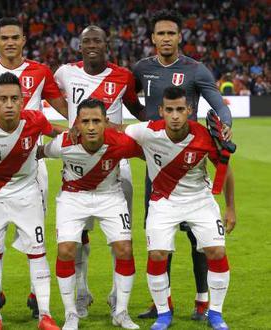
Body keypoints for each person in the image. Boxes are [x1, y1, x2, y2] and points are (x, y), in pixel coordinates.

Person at [0, 15, 68, 319]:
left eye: (14, 37)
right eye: (4, 38)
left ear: (23, 40)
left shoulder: (41, 72)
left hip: (33, 161)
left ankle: (37, 299)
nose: (9, 42)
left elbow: (62, 112)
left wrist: (89, 126)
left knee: (36, 236)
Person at [133, 10, 233, 320]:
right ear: (152, 38)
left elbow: (218, 103)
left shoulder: (196, 70)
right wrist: (143, 121)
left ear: (179, 37)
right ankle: (163, 303)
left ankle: (203, 300)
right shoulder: (142, 68)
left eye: (170, 33)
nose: (165, 38)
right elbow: (128, 99)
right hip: (157, 162)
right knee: (159, 238)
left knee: (199, 240)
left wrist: (225, 125)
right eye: (159, 33)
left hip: (191, 162)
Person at [124, 86, 235, 330]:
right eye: (170, 110)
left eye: (180, 110)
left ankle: (215, 313)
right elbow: (119, 135)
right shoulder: (146, 131)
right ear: (161, 111)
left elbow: (225, 171)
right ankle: (163, 314)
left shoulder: (205, 136)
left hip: (200, 201)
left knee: (216, 251)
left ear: (189, 111)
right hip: (163, 202)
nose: (175, 116)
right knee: (157, 255)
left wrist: (230, 209)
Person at [54, 25, 145, 318]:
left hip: (116, 164)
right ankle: (81, 290)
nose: (92, 45)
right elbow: (56, 100)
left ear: (108, 43)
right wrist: (69, 125)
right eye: (86, 41)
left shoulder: (124, 76)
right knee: (76, 234)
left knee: (121, 237)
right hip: (77, 164)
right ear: (79, 46)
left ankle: (118, 298)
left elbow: (137, 108)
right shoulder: (65, 73)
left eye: (98, 40)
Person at [38, 98, 141, 330]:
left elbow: (150, 152)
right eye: (86, 121)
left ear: (106, 122)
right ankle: (70, 314)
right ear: (77, 124)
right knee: (66, 250)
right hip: (73, 198)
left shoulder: (122, 143)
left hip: (110, 196)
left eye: (97, 121)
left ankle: (121, 312)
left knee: (124, 248)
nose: (92, 127)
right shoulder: (64, 143)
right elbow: (39, 152)